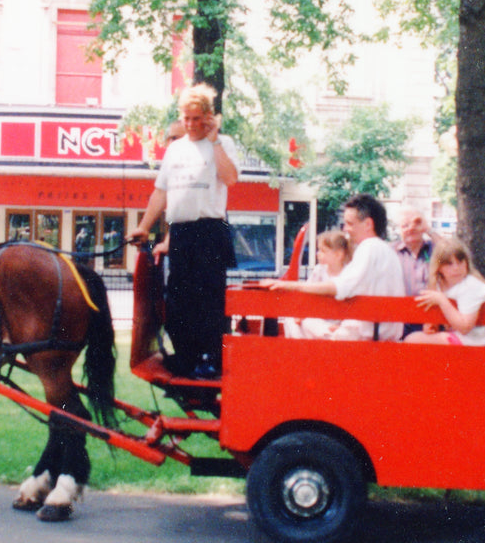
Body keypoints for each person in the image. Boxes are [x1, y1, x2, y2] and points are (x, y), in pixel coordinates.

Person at [129, 85, 240, 379]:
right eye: (186, 118)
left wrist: (214, 142)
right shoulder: (176, 149)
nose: (191, 125)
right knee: (178, 300)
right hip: (180, 232)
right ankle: (186, 358)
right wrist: (143, 226)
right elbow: (160, 192)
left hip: (210, 230)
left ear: (208, 117)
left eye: (196, 119)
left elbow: (230, 178)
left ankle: (210, 358)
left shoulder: (223, 144)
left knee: (208, 300)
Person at [262, 194, 405, 340]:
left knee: (299, 321)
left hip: (367, 338)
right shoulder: (386, 250)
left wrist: (288, 286)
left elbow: (338, 288)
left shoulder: (369, 247)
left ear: (368, 224)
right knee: (304, 322)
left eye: (350, 224)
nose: (345, 229)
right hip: (375, 331)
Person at [405, 238, 485, 346]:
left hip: (478, 341)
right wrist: (432, 325)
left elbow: (465, 327)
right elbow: (441, 319)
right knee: (416, 339)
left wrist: (442, 301)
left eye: (460, 262)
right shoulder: (439, 284)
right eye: (449, 264)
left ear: (467, 263)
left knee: (412, 340)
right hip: (461, 337)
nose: (456, 268)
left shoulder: (472, 286)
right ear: (439, 267)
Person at [282, 230, 366, 341]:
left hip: (338, 322)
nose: (318, 254)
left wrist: (341, 325)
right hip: (319, 320)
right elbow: (306, 294)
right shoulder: (319, 270)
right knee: (291, 320)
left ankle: (331, 338)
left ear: (338, 255)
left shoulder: (348, 274)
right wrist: (300, 313)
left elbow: (354, 305)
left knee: (310, 323)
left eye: (323, 251)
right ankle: (303, 349)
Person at [394, 206, 440, 337]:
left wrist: (428, 229)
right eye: (405, 225)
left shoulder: (434, 247)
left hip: (433, 319)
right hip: (400, 320)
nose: (410, 229)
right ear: (399, 230)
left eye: (415, 224)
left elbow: (452, 252)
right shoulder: (392, 251)